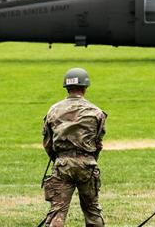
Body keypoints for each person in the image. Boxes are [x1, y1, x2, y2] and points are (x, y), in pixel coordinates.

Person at [41, 68, 107, 227]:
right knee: (92, 210)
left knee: (57, 212)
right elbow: (98, 142)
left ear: (67, 87)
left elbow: (47, 142)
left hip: (63, 164)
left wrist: (58, 158)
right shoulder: (96, 112)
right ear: (85, 87)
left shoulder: (53, 110)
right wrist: (89, 158)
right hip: (87, 165)